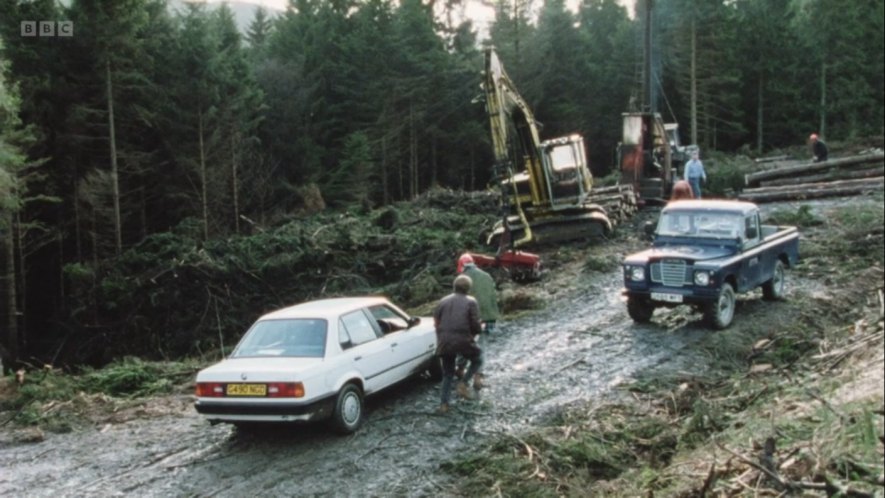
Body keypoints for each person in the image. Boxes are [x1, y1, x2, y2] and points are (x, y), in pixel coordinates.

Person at [433, 275, 483, 413]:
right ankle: (464, 383)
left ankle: (444, 405)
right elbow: (475, 324)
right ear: (468, 288)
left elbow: (436, 322)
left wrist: (441, 337)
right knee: (478, 358)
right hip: (463, 341)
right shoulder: (471, 301)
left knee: (448, 374)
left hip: (444, 342)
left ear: (454, 286)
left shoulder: (442, 301)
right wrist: (479, 329)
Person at [454, 253, 500, 389]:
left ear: (462, 266)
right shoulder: (487, 276)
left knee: (465, 346)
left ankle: (461, 370)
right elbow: (492, 297)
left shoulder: (461, 280)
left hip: (469, 320)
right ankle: (477, 378)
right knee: (481, 348)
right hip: (488, 317)